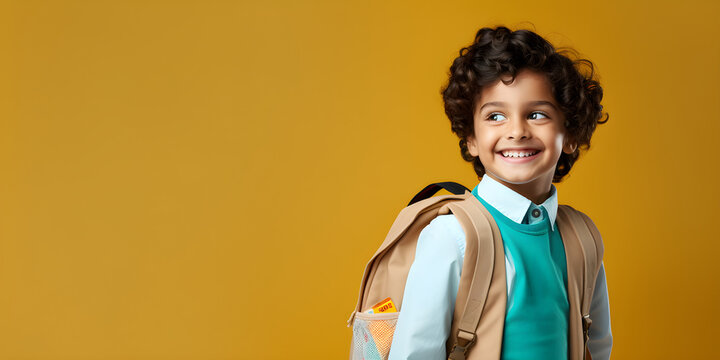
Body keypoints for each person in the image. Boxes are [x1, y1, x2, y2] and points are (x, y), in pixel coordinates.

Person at [387, 26, 612, 360]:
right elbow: (415, 354)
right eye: (495, 116)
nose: (517, 130)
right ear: (472, 139)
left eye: (537, 114)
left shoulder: (582, 238)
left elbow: (597, 346)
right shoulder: (452, 237)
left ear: (572, 133)